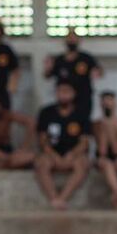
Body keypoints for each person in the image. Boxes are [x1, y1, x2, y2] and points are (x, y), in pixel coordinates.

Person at [34, 79, 91, 211]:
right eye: (60, 91)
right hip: (51, 153)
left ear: (74, 94)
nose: (63, 95)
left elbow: (84, 141)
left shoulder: (81, 113)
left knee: (82, 164)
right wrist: (54, 155)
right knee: (42, 164)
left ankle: (63, 198)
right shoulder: (46, 112)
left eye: (67, 91)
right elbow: (42, 139)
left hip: (74, 154)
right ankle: (54, 198)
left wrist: (71, 155)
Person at [42, 27, 101, 123]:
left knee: (83, 123)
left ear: (79, 40)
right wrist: (47, 68)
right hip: (65, 100)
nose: (72, 40)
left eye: (74, 38)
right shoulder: (59, 60)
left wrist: (97, 72)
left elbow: (98, 71)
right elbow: (47, 75)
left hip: (83, 99)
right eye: (69, 38)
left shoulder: (86, 58)